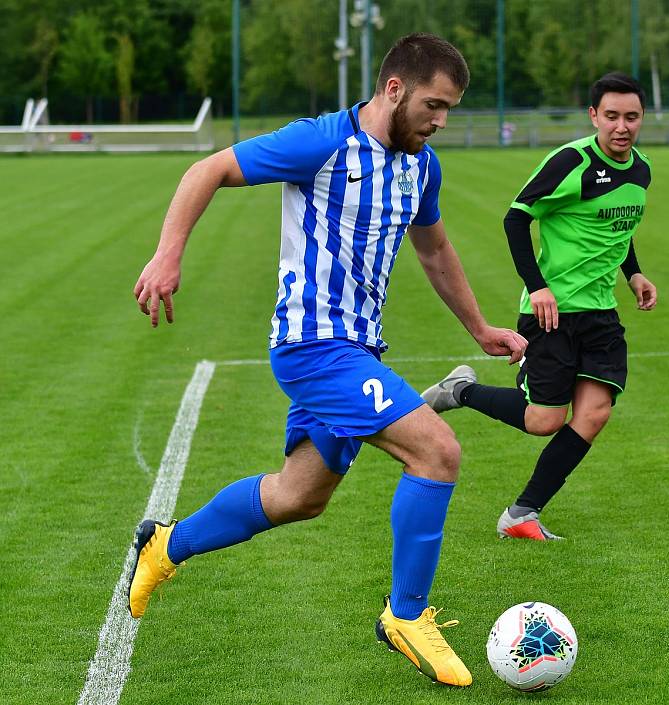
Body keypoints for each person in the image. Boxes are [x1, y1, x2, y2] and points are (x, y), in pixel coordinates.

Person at [128, 33, 526, 688]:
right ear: (393, 88)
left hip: (357, 348)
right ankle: (405, 616)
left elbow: (434, 251)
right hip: (312, 346)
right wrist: (168, 254)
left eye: (450, 108)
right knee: (437, 450)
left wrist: (479, 325)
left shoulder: (421, 166)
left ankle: (164, 546)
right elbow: (207, 170)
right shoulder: (321, 143)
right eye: (434, 104)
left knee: (297, 496)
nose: (442, 120)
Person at [422, 72, 657, 541]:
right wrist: (539, 286)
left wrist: (633, 273)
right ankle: (461, 390)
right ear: (594, 116)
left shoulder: (642, 170)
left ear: (641, 118)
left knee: (594, 414)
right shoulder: (571, 161)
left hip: (601, 316)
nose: (621, 126)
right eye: (611, 116)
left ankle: (521, 514)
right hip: (551, 312)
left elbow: (618, 231)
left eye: (631, 117)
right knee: (542, 421)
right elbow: (516, 219)